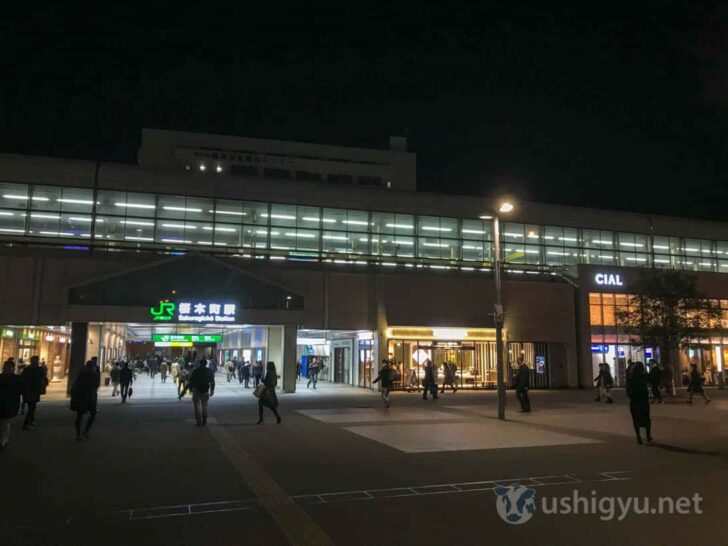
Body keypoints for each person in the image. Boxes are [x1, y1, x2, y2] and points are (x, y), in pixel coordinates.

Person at [70, 359, 100, 441]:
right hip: (89, 397)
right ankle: (85, 431)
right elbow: (96, 385)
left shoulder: (81, 374)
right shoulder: (92, 374)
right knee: (92, 413)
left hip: (81, 397)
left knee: (79, 415)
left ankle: (78, 434)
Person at [179, 359, 215, 426]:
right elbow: (212, 381)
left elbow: (191, 382)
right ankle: (204, 419)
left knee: (197, 406)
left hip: (196, 391)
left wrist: (186, 391)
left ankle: (199, 420)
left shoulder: (196, 371)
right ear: (206, 364)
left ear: (200, 364)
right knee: (205, 405)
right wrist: (212, 390)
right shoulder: (209, 371)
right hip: (205, 390)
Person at [626, 361, 652, 444]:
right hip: (643, 400)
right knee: (646, 418)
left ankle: (638, 437)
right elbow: (652, 378)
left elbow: (627, 389)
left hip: (634, 401)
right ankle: (648, 436)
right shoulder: (643, 376)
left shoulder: (630, 377)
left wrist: (630, 396)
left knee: (635, 419)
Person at [0, 359, 22, 452]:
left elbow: (21, 390)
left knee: (5, 424)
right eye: (5, 368)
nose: (6, 370)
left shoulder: (17, 379)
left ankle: (3, 441)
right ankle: (3, 439)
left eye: (8, 368)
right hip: (3, 404)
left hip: (10, 405)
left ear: (12, 369)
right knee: (3, 424)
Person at [20, 355, 47, 430]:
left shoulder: (27, 369)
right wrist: (43, 386)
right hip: (34, 390)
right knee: (32, 407)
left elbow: (22, 378)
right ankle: (28, 423)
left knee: (31, 407)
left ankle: (30, 421)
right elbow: (44, 379)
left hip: (28, 390)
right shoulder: (39, 369)